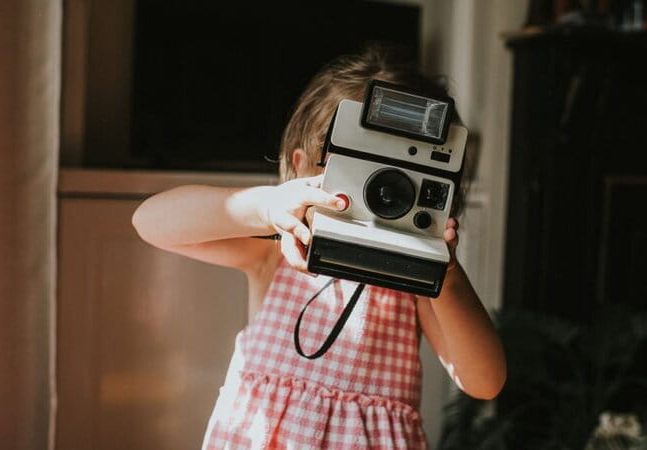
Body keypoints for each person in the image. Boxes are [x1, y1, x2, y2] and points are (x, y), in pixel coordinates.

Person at [132, 44, 506, 450]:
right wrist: (264, 206)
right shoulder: (277, 251)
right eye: (363, 167)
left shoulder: (414, 284)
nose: (383, 191)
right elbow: (151, 223)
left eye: (399, 177)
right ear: (305, 166)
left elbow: (484, 381)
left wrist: (444, 273)